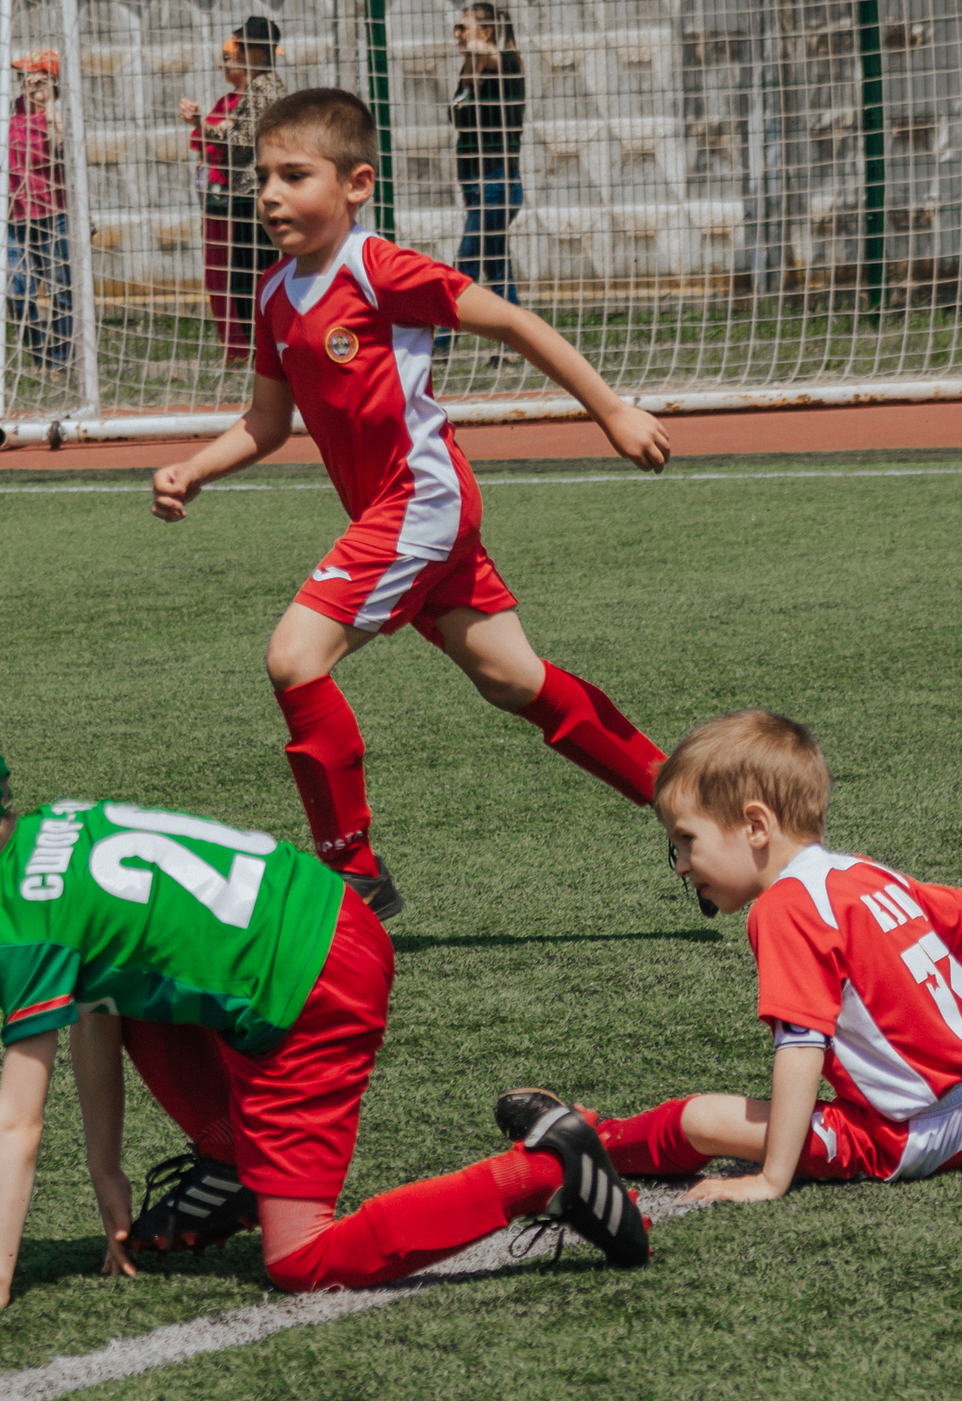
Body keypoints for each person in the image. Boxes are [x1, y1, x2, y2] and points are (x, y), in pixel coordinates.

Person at [0, 709, 647, 1324]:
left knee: (302, 1263)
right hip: (318, 922)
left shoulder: (14, 926)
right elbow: (100, 1006)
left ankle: (547, 1175)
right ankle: (233, 1162)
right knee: (133, 981)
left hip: (306, 990)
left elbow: (16, 1119)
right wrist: (105, 1172)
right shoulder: (55, 830)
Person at [150, 88, 673, 922]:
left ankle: (353, 869)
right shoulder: (275, 294)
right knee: (512, 680)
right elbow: (267, 421)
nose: (270, 195)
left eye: (294, 175)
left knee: (294, 657)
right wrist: (196, 468)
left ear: (357, 184)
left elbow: (514, 322)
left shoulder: (378, 268)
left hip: (419, 499)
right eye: (262, 178)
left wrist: (612, 410)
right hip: (401, 515)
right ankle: (678, 797)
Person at [502, 711, 962, 1206]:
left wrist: (772, 1178)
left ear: (755, 826)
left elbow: (801, 1048)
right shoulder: (865, 876)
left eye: (685, 840)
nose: (680, 864)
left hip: (907, 1139)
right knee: (954, 1087)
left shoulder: (785, 910)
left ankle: (590, 1138)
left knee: (698, 1119)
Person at [179, 15, 288, 366]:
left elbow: (242, 144)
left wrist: (209, 126)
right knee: (249, 272)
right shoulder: (263, 87)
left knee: (249, 273)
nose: (235, 54)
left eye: (240, 47)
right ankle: (263, 349)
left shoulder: (262, 89)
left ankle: (265, 350)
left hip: (250, 192)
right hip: (250, 192)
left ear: (255, 52)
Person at [0, 52, 74, 372]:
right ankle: (40, 354)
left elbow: (61, 148)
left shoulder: (59, 114)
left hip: (53, 214)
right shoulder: (10, 114)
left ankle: (61, 362)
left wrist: (48, 104)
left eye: (38, 77)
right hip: (15, 217)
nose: (29, 82)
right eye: (25, 77)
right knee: (16, 294)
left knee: (62, 292)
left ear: (53, 81)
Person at [451, 3, 526, 315]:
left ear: (486, 31)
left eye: (462, 26)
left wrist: (475, 48)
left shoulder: (507, 64)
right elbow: (457, 118)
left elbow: (494, 56)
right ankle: (514, 342)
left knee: (466, 262)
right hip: (474, 181)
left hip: (497, 182)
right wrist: (470, 71)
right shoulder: (469, 72)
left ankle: (441, 341)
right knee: (496, 266)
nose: (456, 33)